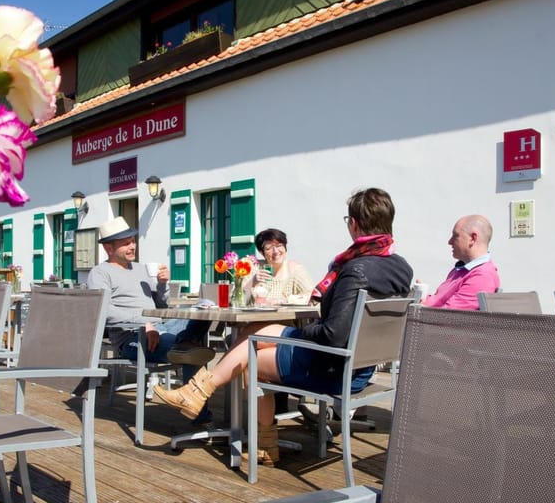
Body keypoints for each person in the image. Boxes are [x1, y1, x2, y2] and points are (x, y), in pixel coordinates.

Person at [153, 188, 413, 465]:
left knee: (252, 354)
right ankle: (210, 404)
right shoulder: (401, 267)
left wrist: (298, 333)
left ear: (354, 224)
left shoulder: (354, 269)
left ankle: (213, 404)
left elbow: (333, 335)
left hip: (335, 369)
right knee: (255, 339)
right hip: (359, 367)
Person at [87, 216, 214, 421]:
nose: (132, 246)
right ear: (109, 248)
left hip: (160, 326)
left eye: (133, 241)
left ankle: (185, 345)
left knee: (205, 305)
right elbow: (103, 310)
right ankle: (200, 414)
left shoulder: (141, 269)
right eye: (126, 243)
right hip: (132, 338)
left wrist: (163, 284)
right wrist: (143, 324)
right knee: (192, 350)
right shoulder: (100, 273)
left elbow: (162, 305)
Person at [421, 214, 500, 310]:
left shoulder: (482, 277)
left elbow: (448, 315)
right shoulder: (462, 269)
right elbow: (440, 301)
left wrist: (418, 308)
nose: (450, 242)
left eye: (455, 236)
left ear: (472, 238)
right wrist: (422, 298)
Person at [246, 228, 314, 305]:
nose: (275, 251)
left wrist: (285, 300)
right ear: (261, 252)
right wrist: (252, 282)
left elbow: (314, 297)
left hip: (288, 313)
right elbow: (237, 300)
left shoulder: (295, 270)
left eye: (279, 246)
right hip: (255, 313)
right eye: (269, 248)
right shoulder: (253, 267)